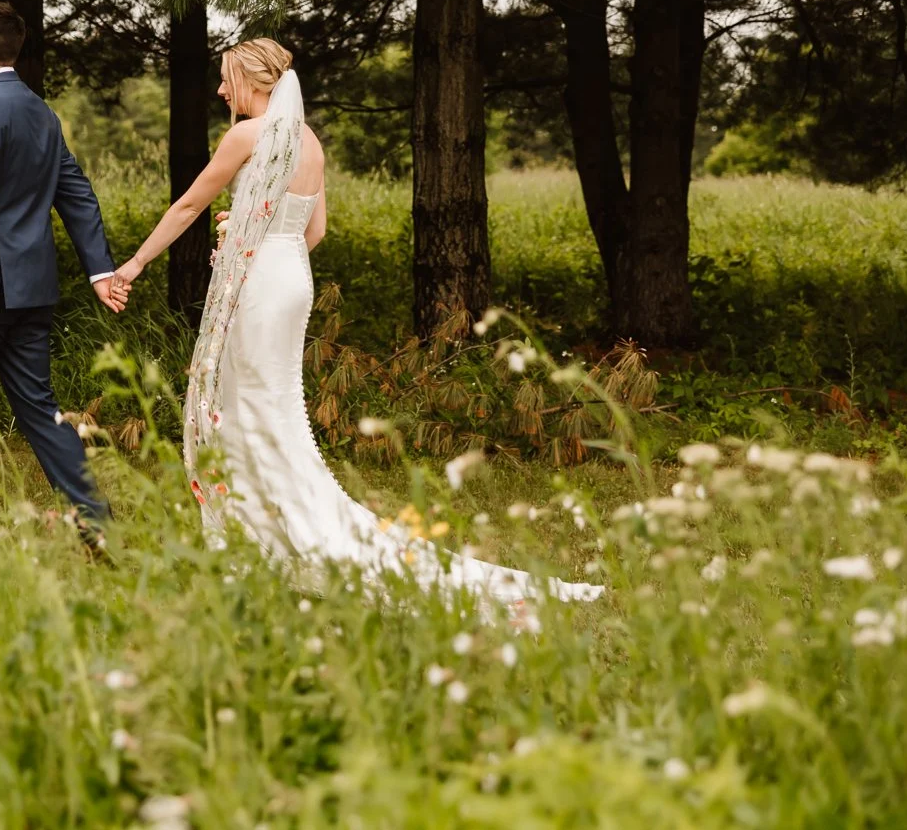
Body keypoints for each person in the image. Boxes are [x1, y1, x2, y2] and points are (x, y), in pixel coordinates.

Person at [109, 38, 602, 609]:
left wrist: (135, 263)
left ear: (252, 81)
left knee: (251, 407)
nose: (221, 91)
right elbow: (314, 231)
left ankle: (271, 535)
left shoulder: (247, 135)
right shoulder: (308, 141)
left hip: (262, 282)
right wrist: (251, 232)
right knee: (273, 405)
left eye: (226, 80)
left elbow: (188, 206)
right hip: (292, 277)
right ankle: (269, 527)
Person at [0, 1, 123, 533]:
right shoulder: (41, 111)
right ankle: (95, 520)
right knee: (39, 407)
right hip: (32, 290)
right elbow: (77, 194)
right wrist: (99, 271)